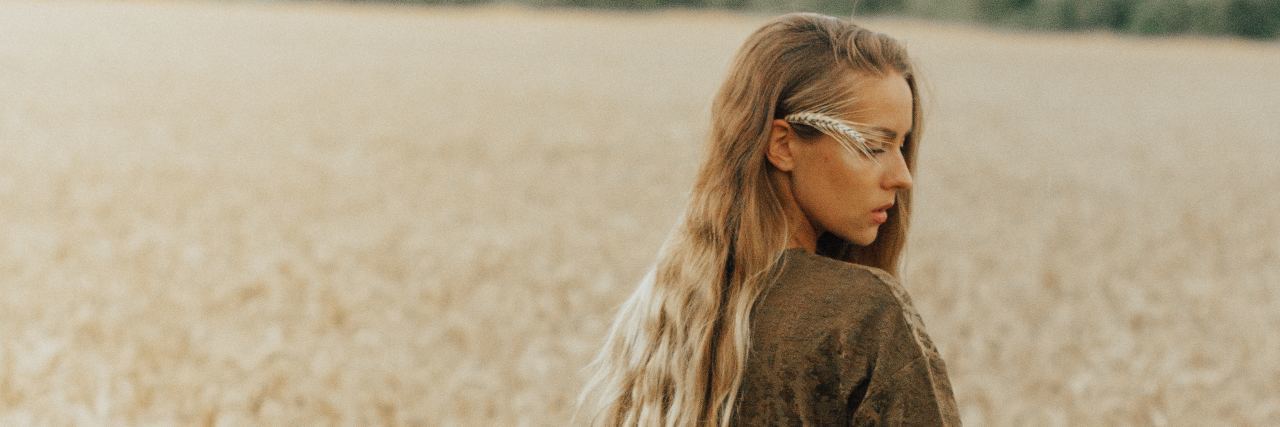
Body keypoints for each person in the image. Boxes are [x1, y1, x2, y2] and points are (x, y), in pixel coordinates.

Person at [577, 12, 960, 426]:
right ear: (782, 145)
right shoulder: (864, 314)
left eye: (902, 146)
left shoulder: (666, 317)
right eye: (873, 146)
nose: (903, 176)